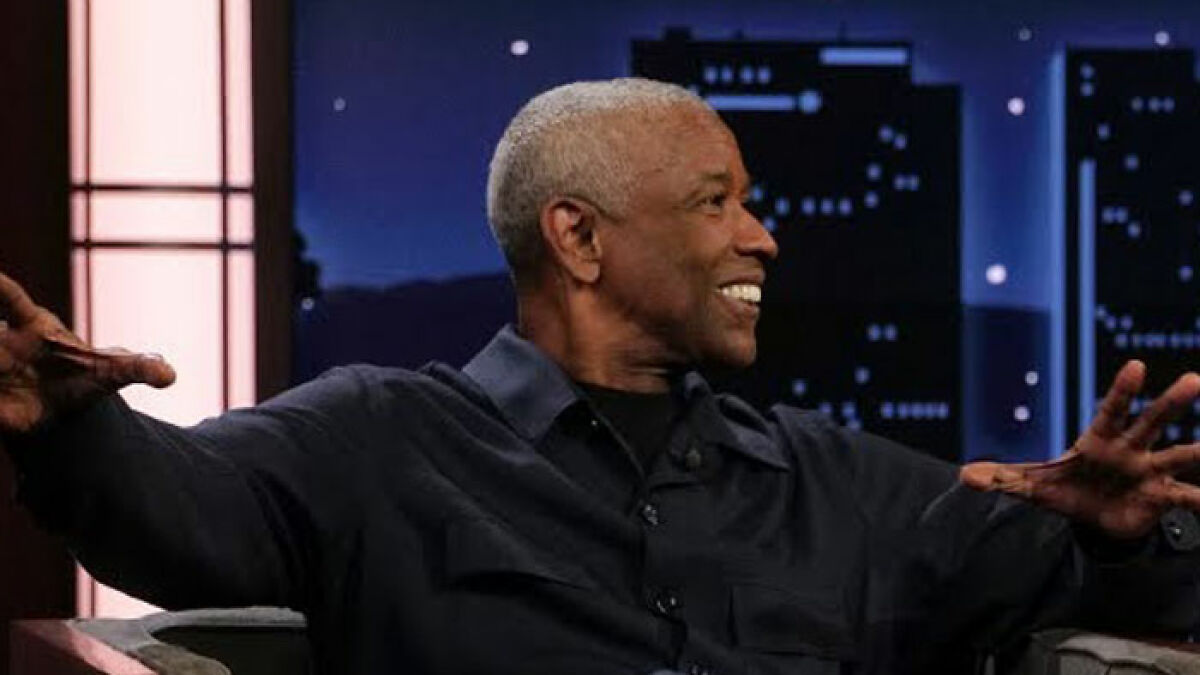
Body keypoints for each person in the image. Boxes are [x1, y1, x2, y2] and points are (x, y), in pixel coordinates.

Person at [3, 78, 1200, 675]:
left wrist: (1124, 540)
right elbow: (180, 518)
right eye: (716, 203)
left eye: (754, 204)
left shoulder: (831, 478)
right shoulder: (374, 438)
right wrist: (69, 426)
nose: (762, 237)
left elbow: (1083, 575)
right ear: (578, 239)